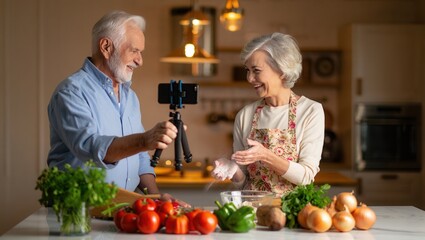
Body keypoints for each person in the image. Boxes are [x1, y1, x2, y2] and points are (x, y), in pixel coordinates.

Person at [47, 10, 184, 203]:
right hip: (78, 213)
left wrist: (156, 197)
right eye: (134, 50)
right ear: (106, 47)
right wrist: (145, 140)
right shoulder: (71, 92)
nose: (140, 60)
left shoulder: (130, 98)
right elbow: (91, 148)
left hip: (122, 211)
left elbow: (141, 158)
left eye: (141, 52)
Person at [212, 32, 325, 196]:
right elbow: (243, 183)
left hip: (292, 214)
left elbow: (306, 176)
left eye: (256, 70)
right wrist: (232, 168)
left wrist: (265, 155)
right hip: (253, 212)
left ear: (282, 71)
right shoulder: (245, 115)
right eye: (248, 70)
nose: (250, 78)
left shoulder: (310, 111)